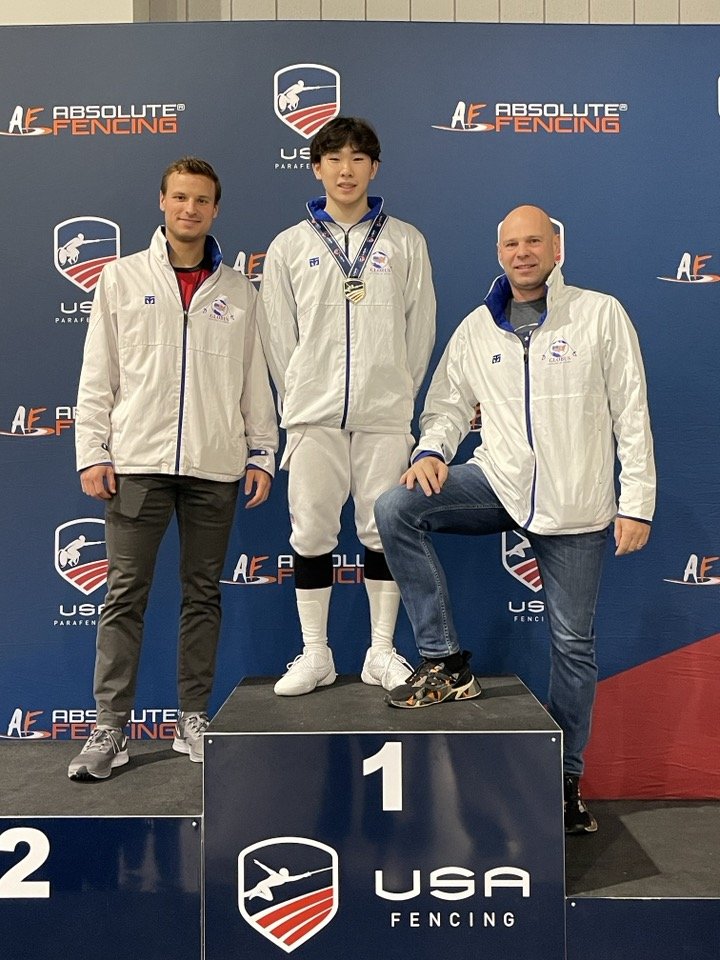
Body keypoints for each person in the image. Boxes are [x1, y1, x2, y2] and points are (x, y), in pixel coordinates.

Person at [375, 205, 655, 834]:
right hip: (498, 483)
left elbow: (631, 413)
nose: (522, 252)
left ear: (557, 248)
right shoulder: (477, 329)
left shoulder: (599, 314)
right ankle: (445, 662)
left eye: (534, 241)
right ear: (499, 253)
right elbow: (447, 403)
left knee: (573, 647)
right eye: (511, 243)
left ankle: (564, 782)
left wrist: (636, 501)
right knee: (396, 506)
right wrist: (429, 452)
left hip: (577, 502)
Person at [68, 157, 278, 781]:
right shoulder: (121, 278)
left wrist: (261, 451)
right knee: (124, 594)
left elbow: (253, 381)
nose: (190, 209)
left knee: (202, 595)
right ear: (162, 201)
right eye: (180, 198)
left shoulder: (240, 290)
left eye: (203, 201)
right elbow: (97, 375)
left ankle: (193, 717)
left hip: (214, 466)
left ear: (216, 210)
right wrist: (93, 451)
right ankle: (110, 729)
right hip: (136, 464)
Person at [257, 117, 436, 697]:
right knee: (310, 533)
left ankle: (381, 652)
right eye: (334, 158)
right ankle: (316, 654)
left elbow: (420, 329)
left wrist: (395, 396)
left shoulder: (405, 240)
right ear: (316, 167)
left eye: (359, 158)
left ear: (374, 168)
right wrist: (303, 394)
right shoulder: (289, 246)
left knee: (382, 530)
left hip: (384, 416)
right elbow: (278, 337)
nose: (346, 169)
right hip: (312, 417)